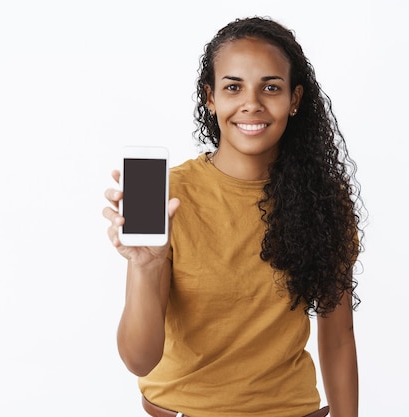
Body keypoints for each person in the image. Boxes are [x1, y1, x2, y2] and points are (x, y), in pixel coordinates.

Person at [102, 16, 364, 417]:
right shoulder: (167, 196)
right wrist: (146, 267)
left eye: (270, 87)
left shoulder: (323, 200)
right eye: (233, 87)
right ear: (211, 97)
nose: (252, 104)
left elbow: (339, 337)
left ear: (295, 99)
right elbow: (140, 360)